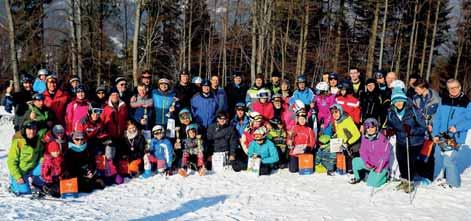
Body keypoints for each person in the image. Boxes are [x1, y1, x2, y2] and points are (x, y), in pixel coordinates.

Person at [432, 79, 471, 188]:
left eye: (455, 87)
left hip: (455, 137)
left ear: (460, 87)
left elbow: (470, 120)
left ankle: (453, 183)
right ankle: (447, 177)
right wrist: (435, 134)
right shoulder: (443, 100)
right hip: (443, 135)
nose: (453, 90)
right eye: (450, 88)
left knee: (449, 159)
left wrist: (457, 128)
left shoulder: (466, 102)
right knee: (445, 157)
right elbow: (438, 118)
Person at [386, 88, 426, 193]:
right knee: (401, 161)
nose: (398, 103)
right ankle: (404, 181)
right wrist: (391, 130)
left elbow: (423, 127)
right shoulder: (391, 112)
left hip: (414, 141)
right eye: (396, 101)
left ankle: (410, 182)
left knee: (410, 162)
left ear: (404, 100)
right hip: (401, 140)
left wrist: (411, 130)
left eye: (400, 100)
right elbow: (390, 124)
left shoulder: (413, 110)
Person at [412, 79, 441, 182]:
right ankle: (418, 173)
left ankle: (428, 176)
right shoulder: (416, 98)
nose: (415, 91)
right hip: (420, 129)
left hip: (431, 129)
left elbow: (439, 115)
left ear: (424, 88)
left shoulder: (436, 98)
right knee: (419, 151)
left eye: (417, 89)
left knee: (429, 152)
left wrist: (432, 125)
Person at [349, 118, 390, 187]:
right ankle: (358, 177)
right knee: (355, 161)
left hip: (380, 166)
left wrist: (379, 167)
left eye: (372, 127)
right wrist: (366, 162)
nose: (370, 129)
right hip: (370, 163)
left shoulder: (382, 138)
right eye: (368, 127)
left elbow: (386, 155)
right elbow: (362, 151)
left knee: (371, 184)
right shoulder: (365, 137)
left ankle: (385, 177)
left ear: (376, 127)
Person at [7, 121, 44, 195]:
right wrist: (17, 177)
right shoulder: (18, 142)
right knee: (25, 193)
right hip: (21, 171)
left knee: (44, 166)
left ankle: (37, 183)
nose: (32, 131)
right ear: (25, 130)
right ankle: (13, 186)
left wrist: (42, 163)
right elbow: (11, 161)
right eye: (29, 129)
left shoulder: (38, 141)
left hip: (32, 169)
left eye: (34, 129)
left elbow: (41, 155)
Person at [329, 104, 361, 174]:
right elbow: (340, 132)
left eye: (336, 112)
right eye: (332, 113)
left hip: (353, 144)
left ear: (340, 111)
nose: (334, 114)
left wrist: (348, 143)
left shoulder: (347, 121)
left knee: (350, 165)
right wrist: (335, 136)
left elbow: (357, 134)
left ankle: (352, 168)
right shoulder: (336, 121)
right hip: (344, 143)